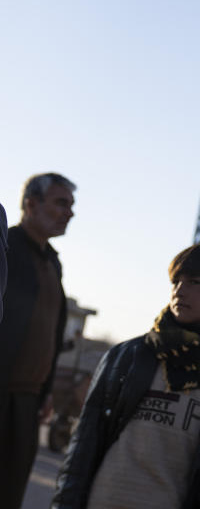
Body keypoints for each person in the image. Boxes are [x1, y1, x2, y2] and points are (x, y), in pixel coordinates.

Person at [53, 243, 200, 508]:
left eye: (194, 282)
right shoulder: (127, 356)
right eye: (176, 281)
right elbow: (83, 446)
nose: (179, 291)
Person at [0, 172, 75, 508]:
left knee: (10, 492)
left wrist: (45, 391)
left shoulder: (52, 262)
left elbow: (52, 330)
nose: (69, 213)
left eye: (71, 206)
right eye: (61, 203)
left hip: (28, 402)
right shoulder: (7, 247)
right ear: (31, 204)